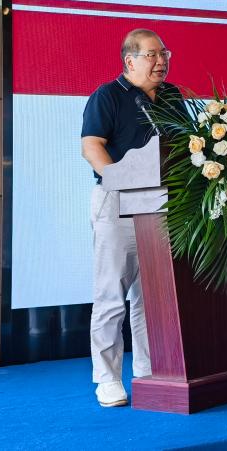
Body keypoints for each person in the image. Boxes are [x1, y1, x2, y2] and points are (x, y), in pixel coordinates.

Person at [80, 28, 181, 407]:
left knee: (150, 297)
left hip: (161, 203)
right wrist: (118, 179)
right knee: (111, 296)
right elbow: (91, 146)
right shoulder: (107, 96)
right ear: (130, 60)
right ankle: (107, 378)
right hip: (117, 202)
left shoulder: (172, 97)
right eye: (153, 54)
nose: (161, 61)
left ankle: (148, 368)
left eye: (165, 54)